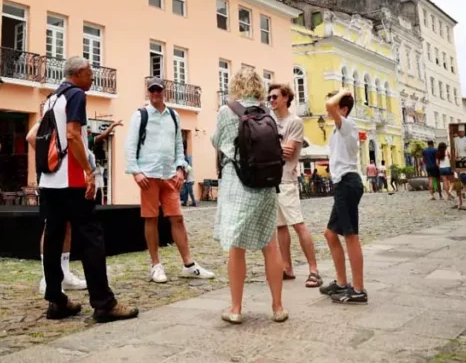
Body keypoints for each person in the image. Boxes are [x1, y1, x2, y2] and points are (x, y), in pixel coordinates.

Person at [37, 56, 138, 322]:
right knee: (92, 238)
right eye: (90, 73)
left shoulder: (51, 99)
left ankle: (56, 300)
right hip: (71, 180)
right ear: (79, 73)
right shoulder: (76, 96)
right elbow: (72, 134)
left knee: (53, 237)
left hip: (49, 180)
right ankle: (103, 303)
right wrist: (88, 171)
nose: (93, 78)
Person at [212, 68, 287, 323]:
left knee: (237, 247)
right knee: (271, 244)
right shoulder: (268, 114)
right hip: (266, 186)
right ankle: (278, 307)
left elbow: (216, 141)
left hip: (239, 185)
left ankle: (235, 309)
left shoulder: (227, 111)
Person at [125, 77, 215, 284]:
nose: (156, 93)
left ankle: (189, 265)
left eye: (159, 90)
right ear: (148, 92)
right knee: (151, 218)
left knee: (177, 218)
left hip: (170, 176)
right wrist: (136, 172)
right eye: (152, 90)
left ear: (164, 92)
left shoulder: (173, 115)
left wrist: (181, 168)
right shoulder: (141, 115)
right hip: (148, 175)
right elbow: (130, 145)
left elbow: (178, 145)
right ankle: (156, 265)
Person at [267, 83, 321, 288]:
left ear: (286, 98)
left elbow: (288, 152)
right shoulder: (270, 121)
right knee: (280, 226)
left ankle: (313, 269)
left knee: (298, 224)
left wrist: (267, 149)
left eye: (275, 97)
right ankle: (287, 267)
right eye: (269, 97)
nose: (271, 100)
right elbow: (277, 150)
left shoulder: (294, 121)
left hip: (287, 180)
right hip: (272, 180)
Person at [319, 87, 367, 304]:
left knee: (351, 236)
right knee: (330, 234)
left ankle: (358, 289)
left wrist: (344, 92)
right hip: (342, 183)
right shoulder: (339, 129)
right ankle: (341, 282)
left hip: (348, 183)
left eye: (335, 106)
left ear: (343, 109)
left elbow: (330, 106)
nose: (329, 110)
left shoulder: (347, 125)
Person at [27, 119, 86, 295]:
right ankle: (48, 276)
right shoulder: (49, 119)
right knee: (51, 226)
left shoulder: (63, 119)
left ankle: (64, 272)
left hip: (64, 180)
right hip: (53, 179)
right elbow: (31, 137)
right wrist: (53, 158)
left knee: (66, 225)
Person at [90, 121, 122, 205]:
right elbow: (103, 135)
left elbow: (103, 136)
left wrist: (112, 126)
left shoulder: (87, 140)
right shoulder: (85, 140)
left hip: (93, 172)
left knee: (98, 191)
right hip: (88, 173)